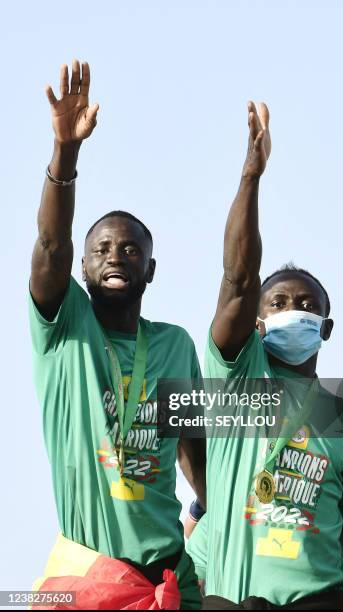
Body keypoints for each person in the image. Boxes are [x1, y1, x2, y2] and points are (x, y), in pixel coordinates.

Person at [199, 101, 343, 609]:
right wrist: (251, 176)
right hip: (234, 598)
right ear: (257, 322)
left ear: (326, 329)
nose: (296, 310)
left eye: (309, 305)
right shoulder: (235, 383)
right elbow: (238, 279)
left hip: (320, 599)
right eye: (280, 302)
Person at [29, 60, 205, 610]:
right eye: (102, 249)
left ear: (151, 269)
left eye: (131, 250)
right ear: (81, 267)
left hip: (170, 581)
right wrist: (66, 151)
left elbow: (197, 459)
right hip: (90, 578)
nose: (116, 257)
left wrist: (209, 514)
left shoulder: (175, 344)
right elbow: (51, 244)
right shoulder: (65, 328)